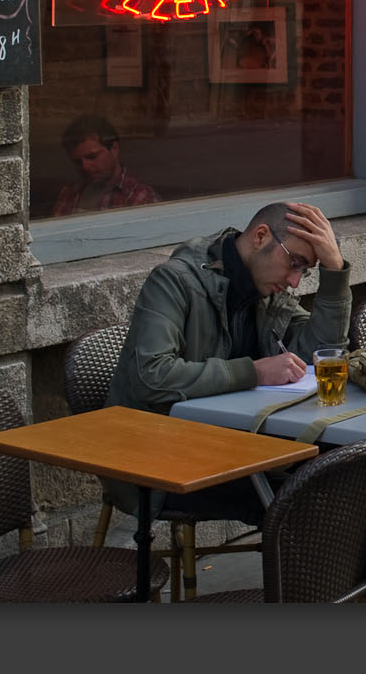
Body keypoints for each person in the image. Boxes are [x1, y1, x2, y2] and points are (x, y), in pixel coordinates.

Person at [107, 201, 349, 521]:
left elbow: (318, 356)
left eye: (304, 271)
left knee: (351, 470)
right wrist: (253, 372)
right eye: (294, 263)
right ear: (260, 237)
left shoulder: (268, 291)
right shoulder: (174, 281)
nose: (295, 281)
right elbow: (151, 377)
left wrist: (334, 273)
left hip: (240, 443)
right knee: (304, 502)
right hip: (159, 457)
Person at [52, 114, 161, 216]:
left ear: (114, 149)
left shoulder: (138, 197)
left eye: (92, 157)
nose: (85, 167)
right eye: (77, 162)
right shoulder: (69, 193)